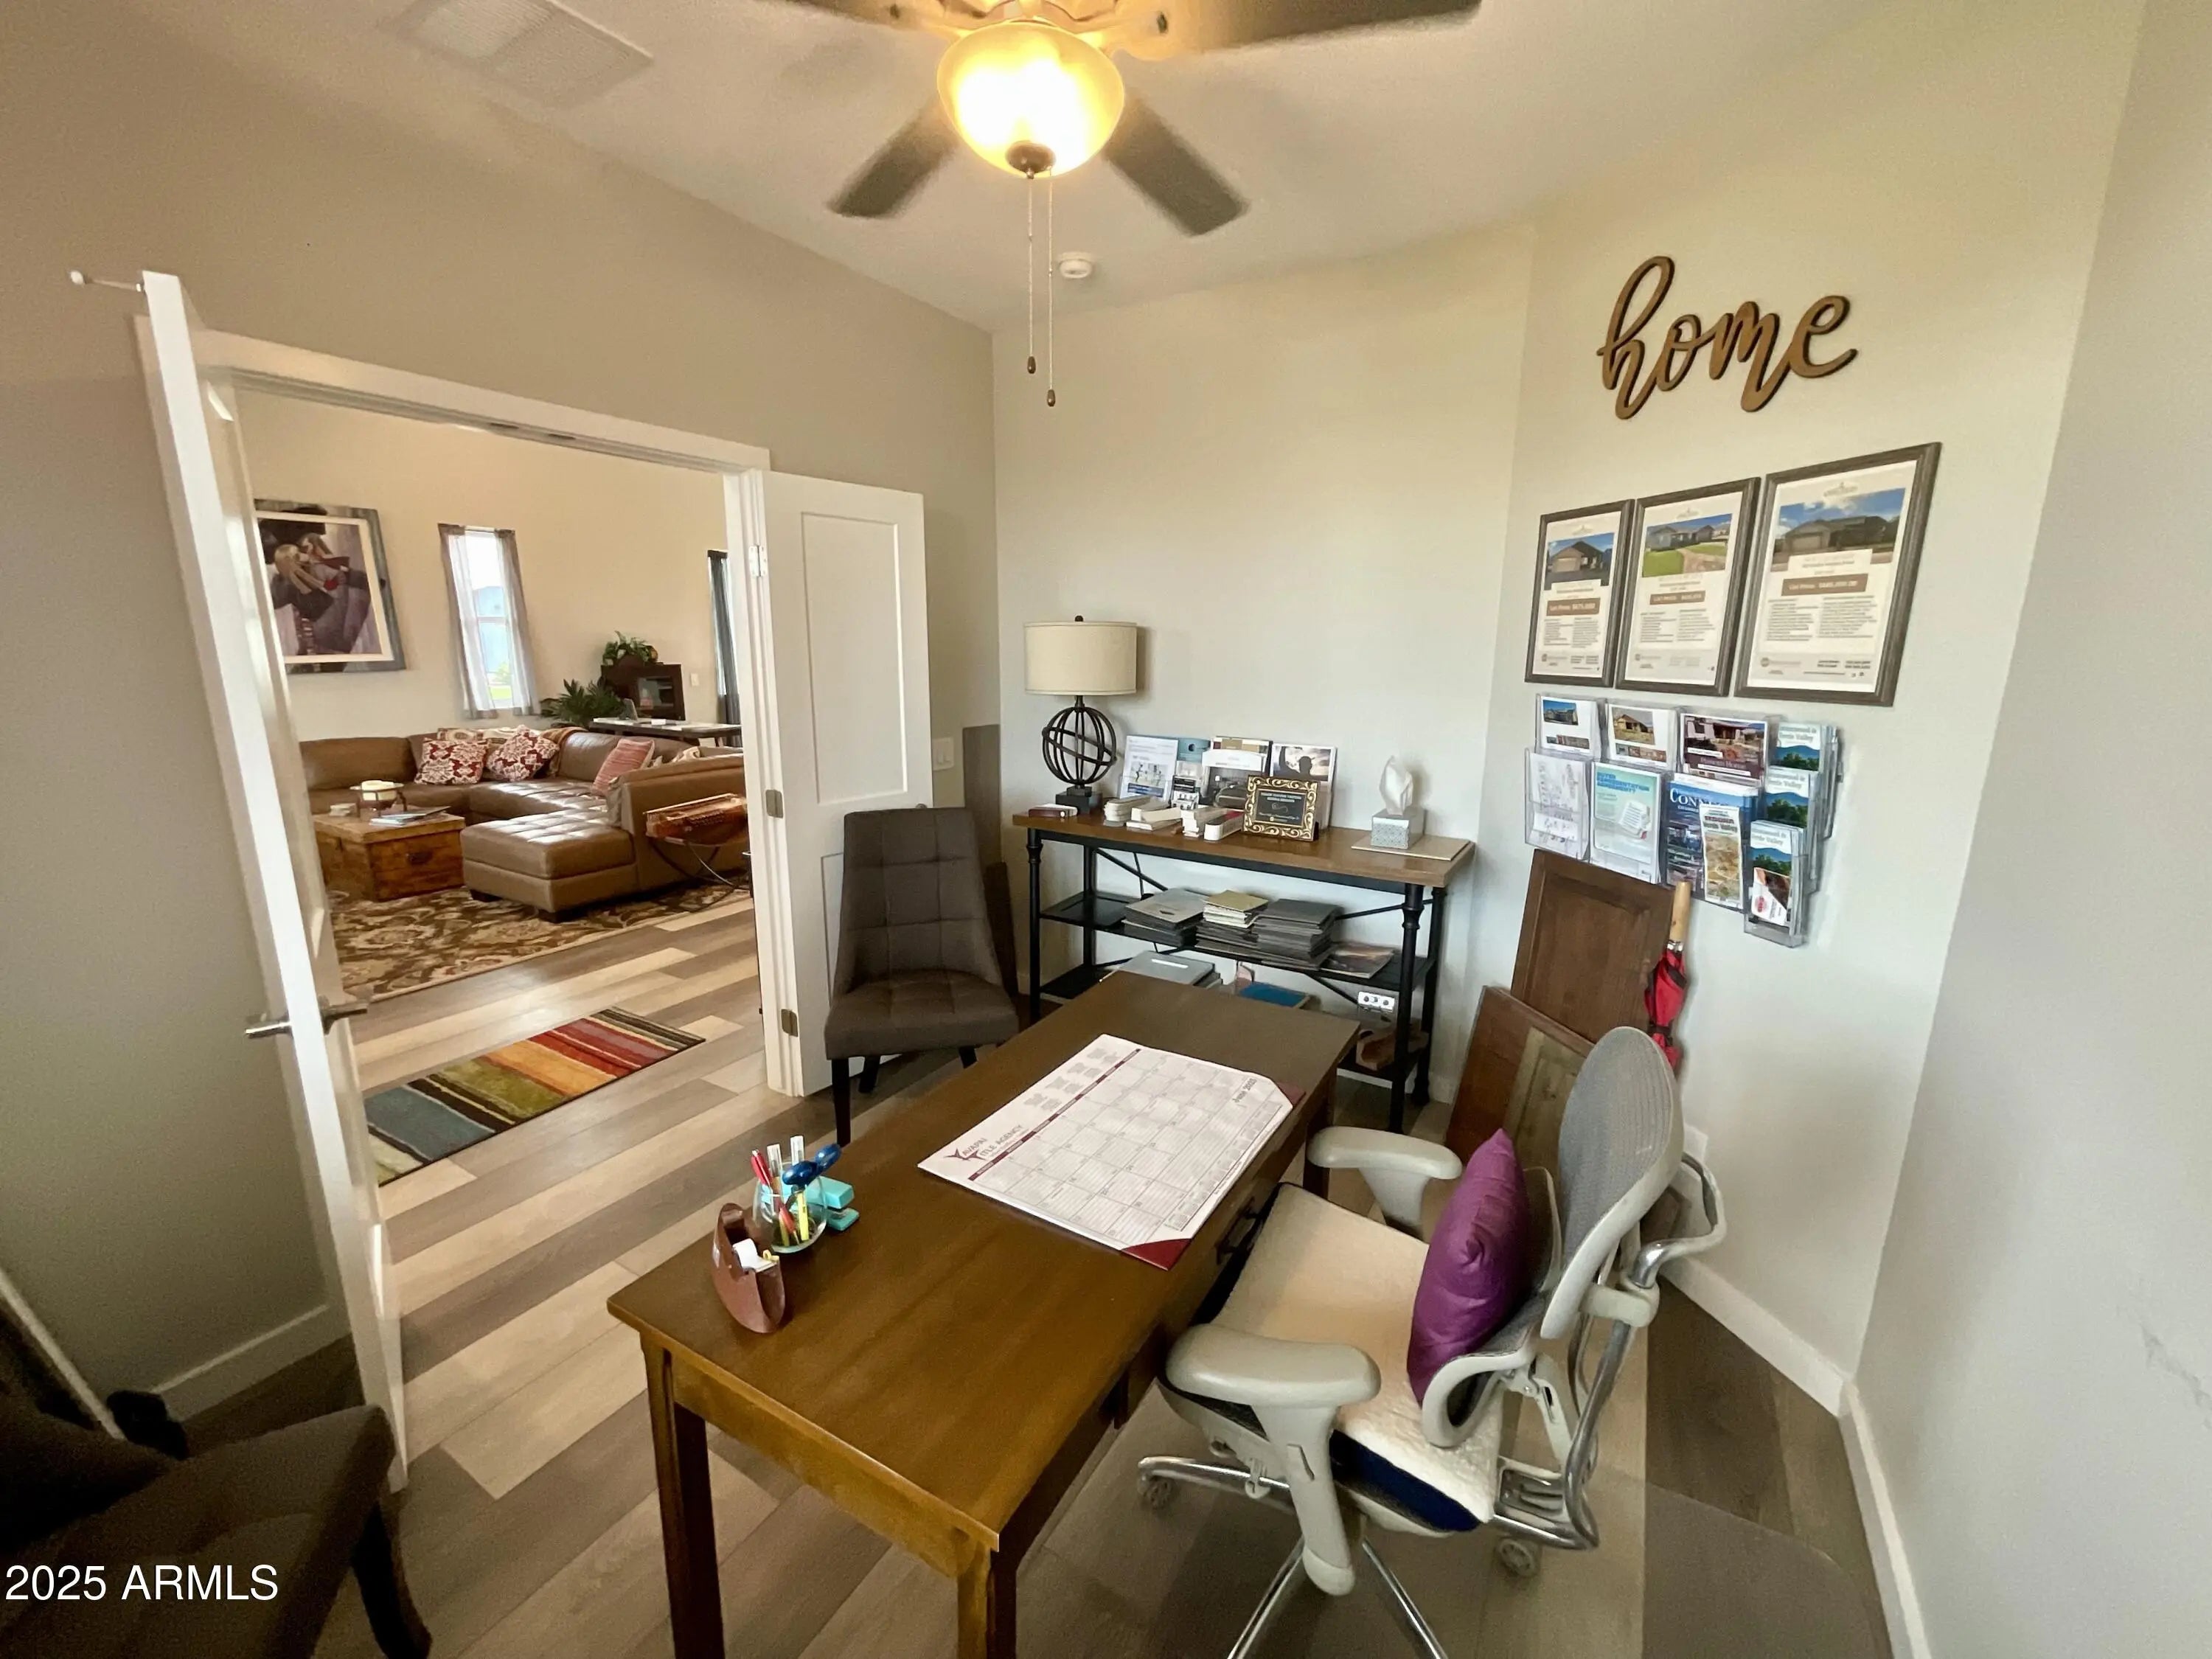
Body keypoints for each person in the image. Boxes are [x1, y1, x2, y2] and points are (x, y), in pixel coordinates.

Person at [268, 530, 375, 657]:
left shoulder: (304, 574)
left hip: (323, 620)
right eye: (297, 555)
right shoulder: (291, 582)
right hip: (324, 621)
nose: (303, 555)